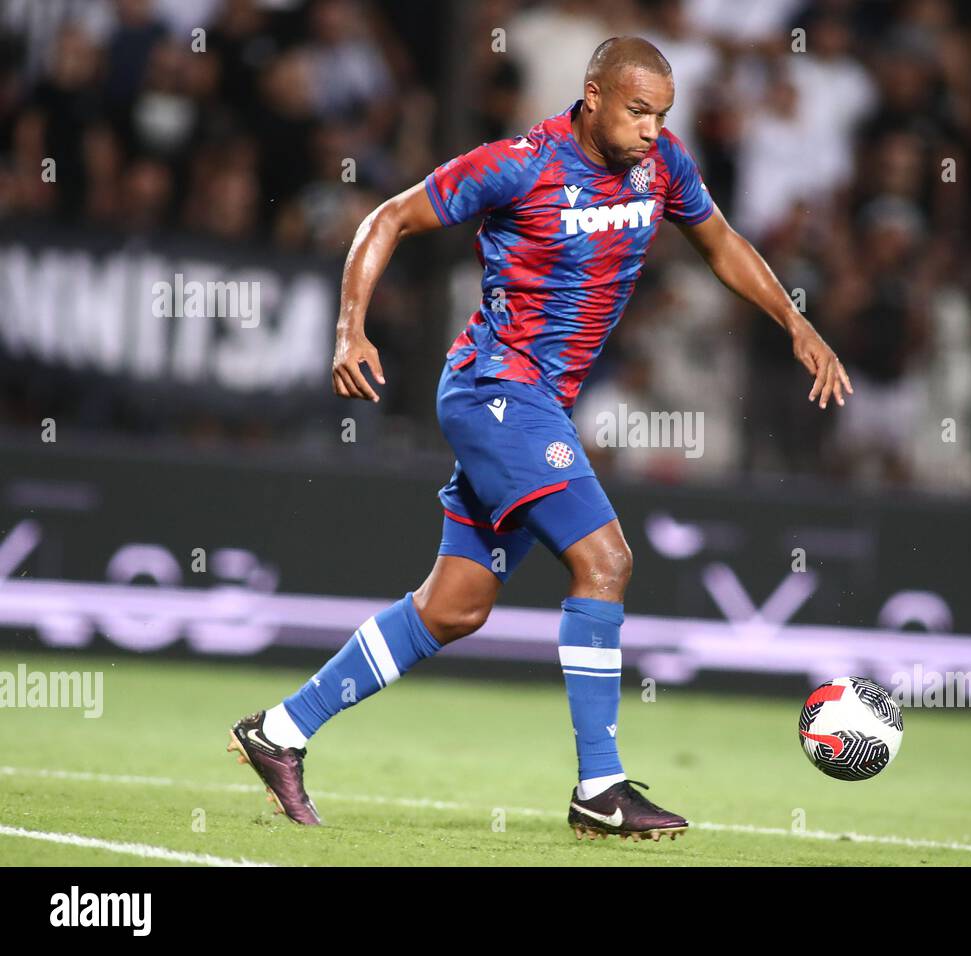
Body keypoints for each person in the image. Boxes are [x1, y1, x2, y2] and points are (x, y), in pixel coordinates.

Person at [226, 37, 851, 841]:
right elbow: (388, 217)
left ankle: (280, 731)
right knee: (606, 560)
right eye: (636, 110)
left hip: (535, 403)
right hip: (496, 391)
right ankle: (601, 787)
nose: (652, 128)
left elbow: (722, 241)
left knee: (455, 607)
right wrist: (350, 331)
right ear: (592, 96)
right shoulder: (520, 163)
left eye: (662, 113)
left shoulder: (662, 165)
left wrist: (796, 323)